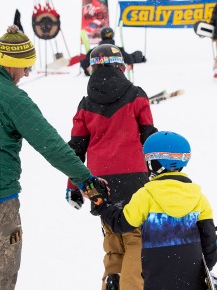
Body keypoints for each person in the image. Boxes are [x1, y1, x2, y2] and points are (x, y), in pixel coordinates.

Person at [0, 25, 107, 290]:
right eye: (26, 67)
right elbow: (50, 145)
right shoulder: (12, 98)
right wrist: (85, 180)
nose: (27, 74)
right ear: (11, 64)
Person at [66, 43, 157, 290]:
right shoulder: (136, 95)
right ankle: (131, 285)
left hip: (99, 180)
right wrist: (160, 171)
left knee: (112, 237)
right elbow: (148, 136)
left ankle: (112, 280)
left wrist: (73, 185)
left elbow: (76, 147)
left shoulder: (85, 104)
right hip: (135, 177)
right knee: (134, 236)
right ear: (120, 66)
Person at [85, 131, 217, 290]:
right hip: (191, 279)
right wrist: (207, 267)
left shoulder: (145, 196)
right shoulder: (199, 197)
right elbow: (209, 240)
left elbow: (120, 224)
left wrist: (100, 202)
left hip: (155, 279)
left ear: (154, 163)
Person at [80, 26, 146, 76]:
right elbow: (129, 59)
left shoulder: (94, 51)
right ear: (112, 35)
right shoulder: (117, 50)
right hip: (115, 77)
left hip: (98, 79)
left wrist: (88, 70)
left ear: (102, 36)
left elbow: (84, 64)